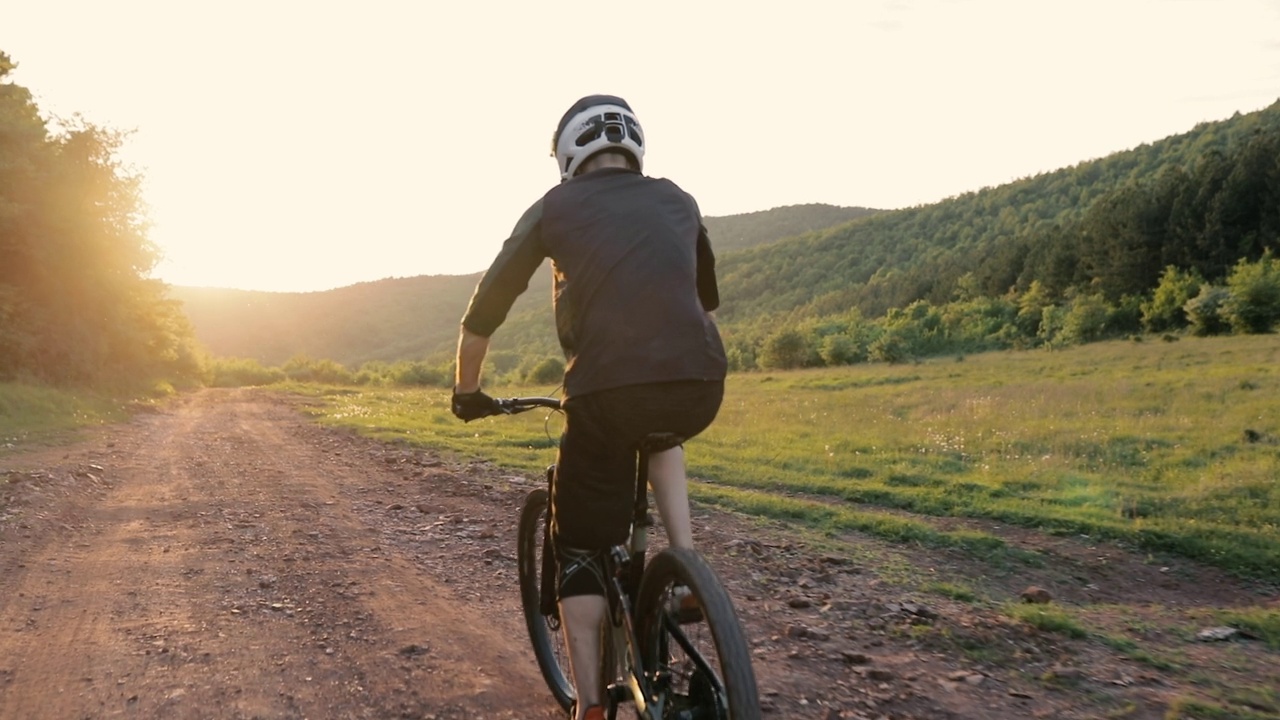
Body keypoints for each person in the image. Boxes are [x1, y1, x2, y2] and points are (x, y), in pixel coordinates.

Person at [450, 94, 727, 720]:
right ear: (633, 145)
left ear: (569, 152)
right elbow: (703, 300)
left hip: (604, 396)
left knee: (578, 545)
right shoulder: (678, 199)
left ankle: (592, 709)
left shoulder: (555, 207)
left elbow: (484, 312)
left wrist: (468, 393)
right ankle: (686, 567)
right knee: (660, 431)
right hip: (700, 384)